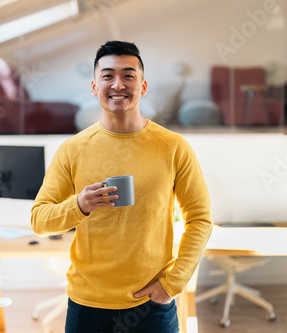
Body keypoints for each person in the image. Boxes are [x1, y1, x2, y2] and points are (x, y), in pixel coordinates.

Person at [31, 40, 212, 333]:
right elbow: (39, 220)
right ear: (94, 86)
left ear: (142, 86)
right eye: (108, 75)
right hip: (87, 304)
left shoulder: (173, 147)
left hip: (152, 306)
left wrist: (173, 282)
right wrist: (80, 205)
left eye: (128, 75)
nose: (118, 84)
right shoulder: (73, 149)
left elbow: (201, 219)